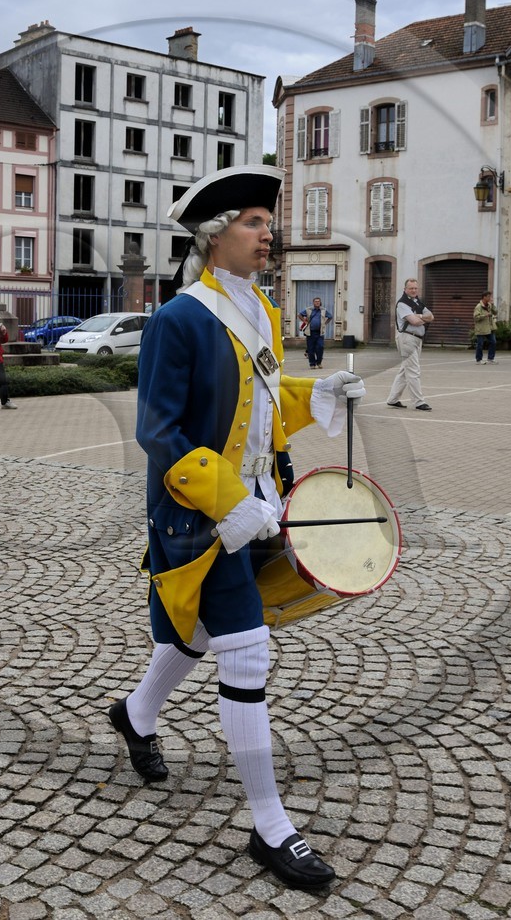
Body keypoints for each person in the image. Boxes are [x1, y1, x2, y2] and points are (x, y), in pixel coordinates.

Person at [111, 164, 364, 893]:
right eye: (254, 221)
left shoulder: (262, 310)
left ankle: (134, 716)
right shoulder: (180, 317)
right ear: (214, 235)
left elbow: (255, 402)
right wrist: (227, 504)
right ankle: (270, 825)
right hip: (203, 513)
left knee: (195, 635)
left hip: (261, 501)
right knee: (246, 654)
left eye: (265, 221)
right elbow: (159, 432)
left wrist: (316, 393)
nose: (267, 233)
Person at [385, 277, 434, 411]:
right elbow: (415, 322)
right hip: (407, 338)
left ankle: (392, 399)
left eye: (415, 288)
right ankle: (418, 402)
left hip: (417, 339)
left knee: (404, 370)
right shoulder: (402, 304)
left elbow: (432, 316)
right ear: (405, 289)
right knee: (413, 371)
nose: (413, 290)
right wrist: (421, 317)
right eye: (411, 288)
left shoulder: (417, 302)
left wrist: (418, 316)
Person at [297, 296, 332, 369]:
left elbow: (330, 316)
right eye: (316, 301)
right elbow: (299, 314)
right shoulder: (308, 309)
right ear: (313, 303)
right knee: (310, 349)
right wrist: (304, 321)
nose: (317, 303)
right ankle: (312, 364)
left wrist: (324, 323)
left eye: (318, 301)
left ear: (320, 302)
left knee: (320, 347)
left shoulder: (323, 310)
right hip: (310, 332)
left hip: (320, 332)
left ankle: (319, 362)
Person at [471, 291, 499, 364]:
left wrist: (493, 305)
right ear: (484, 297)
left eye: (490, 296)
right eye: (489, 296)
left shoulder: (489, 305)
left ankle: (490, 359)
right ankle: (479, 360)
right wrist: (485, 315)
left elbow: (495, 312)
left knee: (493, 342)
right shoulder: (478, 306)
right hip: (481, 328)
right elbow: (475, 317)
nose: (490, 298)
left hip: (489, 328)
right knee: (480, 344)